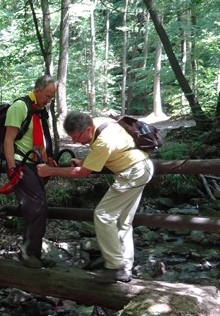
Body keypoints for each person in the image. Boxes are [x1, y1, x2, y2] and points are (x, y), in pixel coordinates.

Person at [37, 112, 154, 283]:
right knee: (123, 221)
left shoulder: (103, 141)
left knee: (103, 215)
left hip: (133, 173)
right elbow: (103, 152)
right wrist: (85, 160)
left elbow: (81, 173)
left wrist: (50, 171)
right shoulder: (101, 123)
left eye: (76, 137)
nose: (75, 142)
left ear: (88, 128)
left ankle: (115, 266)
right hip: (139, 169)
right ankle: (124, 268)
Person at [3, 75, 58, 268]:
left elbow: (41, 137)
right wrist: (12, 168)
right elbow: (8, 140)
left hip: (35, 161)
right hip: (20, 162)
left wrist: (48, 157)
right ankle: (28, 252)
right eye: (47, 96)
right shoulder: (19, 107)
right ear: (37, 91)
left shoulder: (40, 110)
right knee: (37, 205)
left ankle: (33, 251)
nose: (49, 100)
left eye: (52, 97)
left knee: (37, 207)